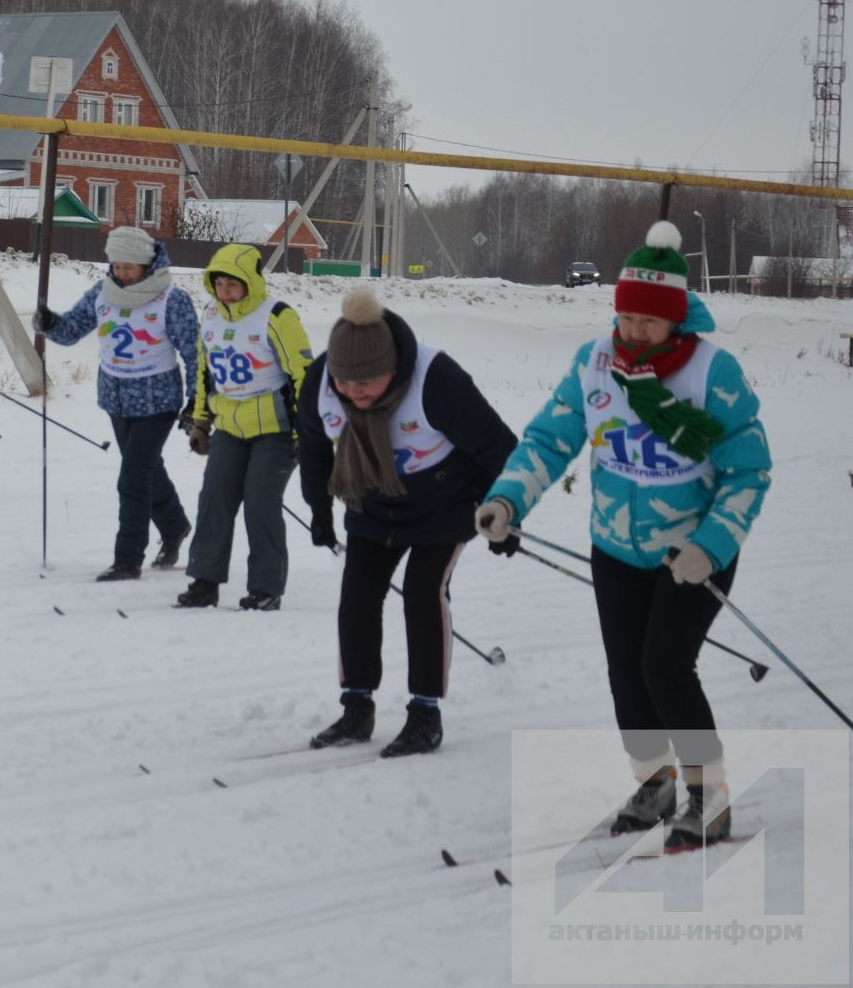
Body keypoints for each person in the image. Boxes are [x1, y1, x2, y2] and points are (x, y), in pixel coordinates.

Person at [476, 222, 771, 850]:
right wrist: (507, 498)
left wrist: (710, 547)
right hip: (614, 549)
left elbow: (749, 472)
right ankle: (654, 783)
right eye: (626, 317)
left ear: (676, 321)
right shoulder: (596, 364)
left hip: (690, 554)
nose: (634, 332)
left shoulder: (714, 374)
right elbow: (549, 439)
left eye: (649, 322)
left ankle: (709, 796)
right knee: (627, 676)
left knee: (665, 667)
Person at [298, 287, 514, 758]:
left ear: (394, 371)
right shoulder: (320, 381)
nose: (354, 396)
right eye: (345, 386)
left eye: (367, 386)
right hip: (371, 501)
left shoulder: (435, 379)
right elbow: (313, 449)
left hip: (444, 503)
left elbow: (500, 447)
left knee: (423, 593)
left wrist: (506, 515)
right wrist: (318, 508)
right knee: (357, 596)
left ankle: (424, 714)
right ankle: (357, 706)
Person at [33, 226, 200, 582]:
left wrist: (196, 402)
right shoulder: (103, 292)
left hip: (158, 401)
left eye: (130, 267)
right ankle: (175, 526)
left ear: (147, 265)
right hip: (116, 398)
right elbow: (71, 330)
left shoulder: (171, 299)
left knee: (133, 478)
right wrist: (50, 324)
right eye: (117, 265)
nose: (122, 274)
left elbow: (194, 353)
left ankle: (127, 559)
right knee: (147, 468)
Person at [177, 243, 312, 611]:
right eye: (219, 284)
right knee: (214, 501)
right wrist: (200, 422)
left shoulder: (277, 316)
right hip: (230, 429)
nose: (225, 291)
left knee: (260, 504)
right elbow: (205, 372)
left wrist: (306, 432)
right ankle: (204, 582)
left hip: (276, 430)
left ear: (250, 282)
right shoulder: (211, 315)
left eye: (232, 284)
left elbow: (304, 375)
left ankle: (266, 588)